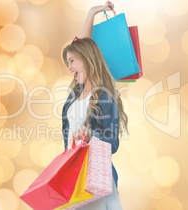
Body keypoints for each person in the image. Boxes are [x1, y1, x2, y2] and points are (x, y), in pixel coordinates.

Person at [61, 1, 128, 209]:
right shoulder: (75, 93)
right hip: (74, 175)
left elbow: (113, 143)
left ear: (85, 59)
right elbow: (85, 45)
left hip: (94, 178)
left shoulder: (104, 97)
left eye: (72, 61)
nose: (69, 67)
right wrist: (91, 12)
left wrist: (91, 136)